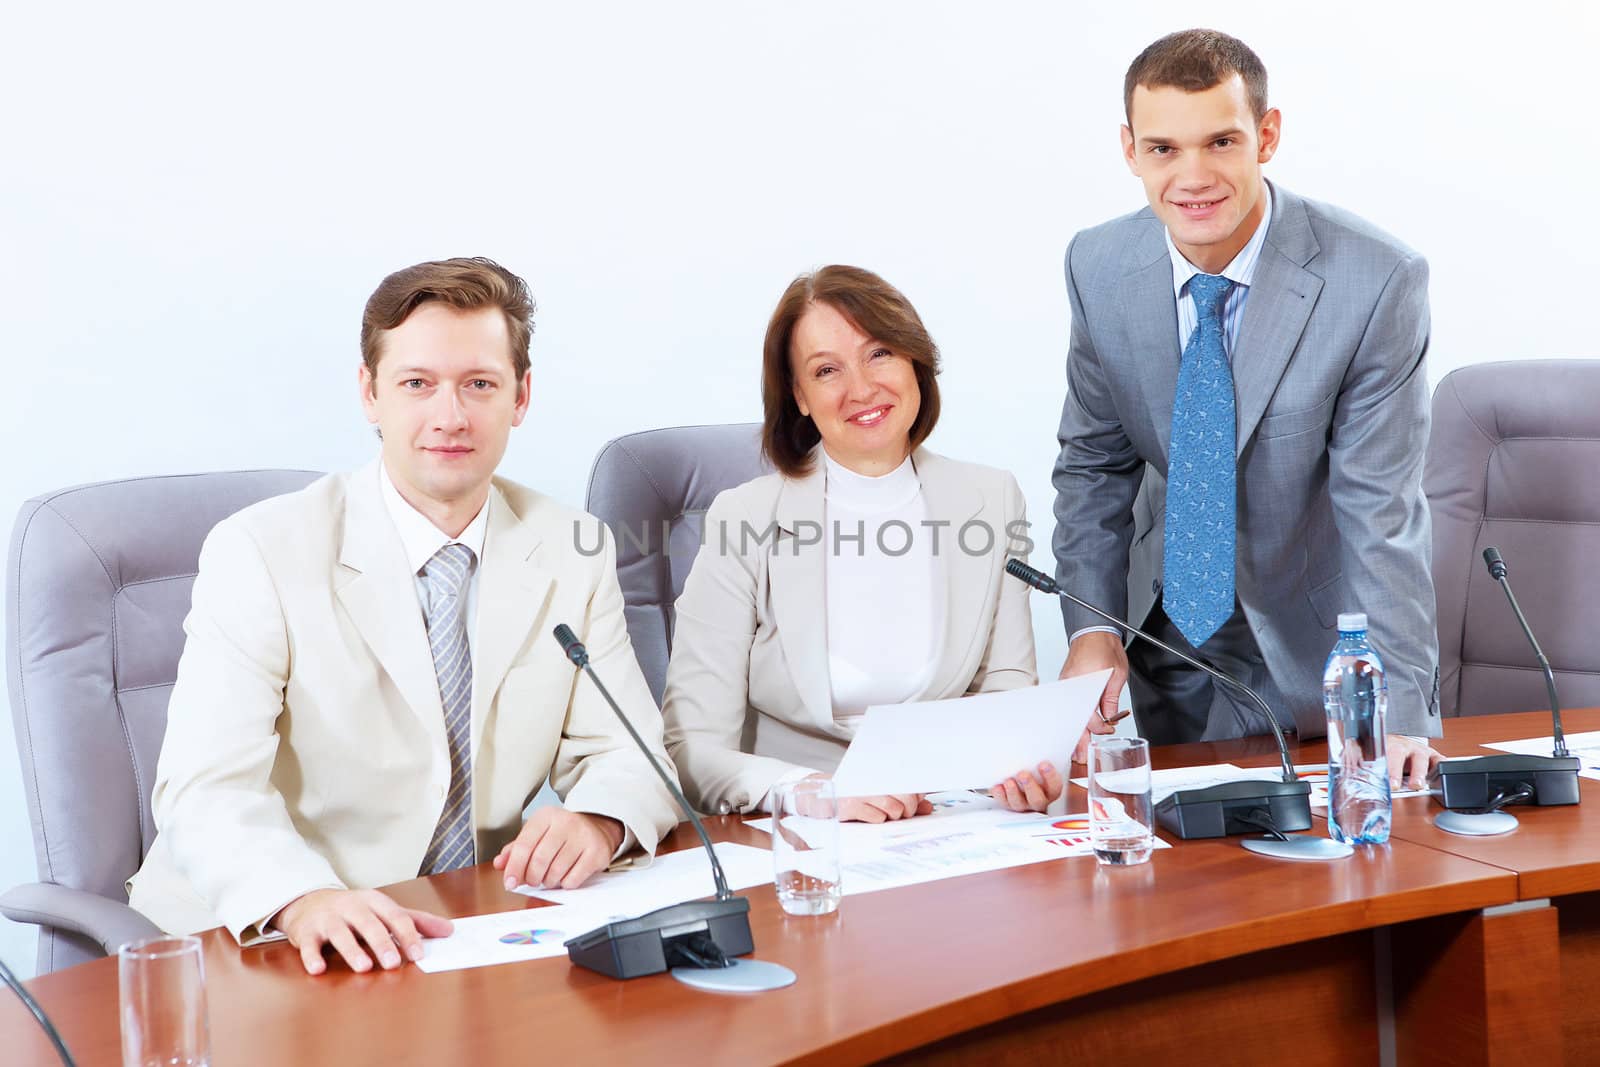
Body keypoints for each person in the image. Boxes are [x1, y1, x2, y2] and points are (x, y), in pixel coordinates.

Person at [128, 257, 680, 975]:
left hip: (454, 938)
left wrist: (601, 819)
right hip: (257, 938)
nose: (449, 416)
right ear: (370, 393)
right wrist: (303, 898)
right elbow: (205, 788)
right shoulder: (262, 549)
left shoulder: (571, 549)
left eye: (479, 384)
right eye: (417, 383)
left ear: (521, 396)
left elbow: (632, 753)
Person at [1052, 29, 1442, 788]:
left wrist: (1396, 712)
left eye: (1221, 141)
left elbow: (1382, 511)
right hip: (1161, 637)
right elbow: (1093, 467)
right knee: (1172, 878)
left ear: (1266, 136)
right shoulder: (1097, 266)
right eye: (1164, 148)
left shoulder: (1375, 281)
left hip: (1313, 646)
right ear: (1130, 150)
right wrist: (1094, 626)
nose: (1192, 176)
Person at [663, 265, 1057, 822]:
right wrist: (810, 791)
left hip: (952, 823)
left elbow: (1008, 691)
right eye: (827, 370)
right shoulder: (743, 518)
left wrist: (1023, 768)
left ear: (914, 362)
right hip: (800, 837)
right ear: (799, 396)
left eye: (880, 354)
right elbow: (691, 750)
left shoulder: (991, 499)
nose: (862, 388)